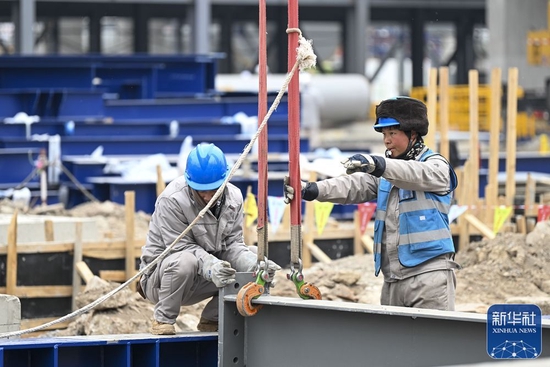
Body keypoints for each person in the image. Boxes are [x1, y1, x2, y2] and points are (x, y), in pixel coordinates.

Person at [284, 96, 460, 311]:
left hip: (429, 277)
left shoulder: (435, 167)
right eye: (385, 134)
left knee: (433, 343)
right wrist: (311, 190)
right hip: (393, 279)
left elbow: (413, 173)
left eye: (393, 133)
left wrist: (379, 164)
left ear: (413, 134)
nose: (386, 140)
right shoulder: (388, 171)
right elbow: (353, 186)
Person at [139, 142, 280, 335]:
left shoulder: (235, 198)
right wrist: (211, 266)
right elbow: (181, 248)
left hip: (203, 277)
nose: (207, 196)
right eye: (201, 190)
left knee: (254, 256)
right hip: (162, 280)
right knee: (185, 261)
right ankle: (163, 319)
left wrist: (254, 265)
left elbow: (232, 245)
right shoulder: (172, 201)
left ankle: (212, 318)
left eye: (213, 189)